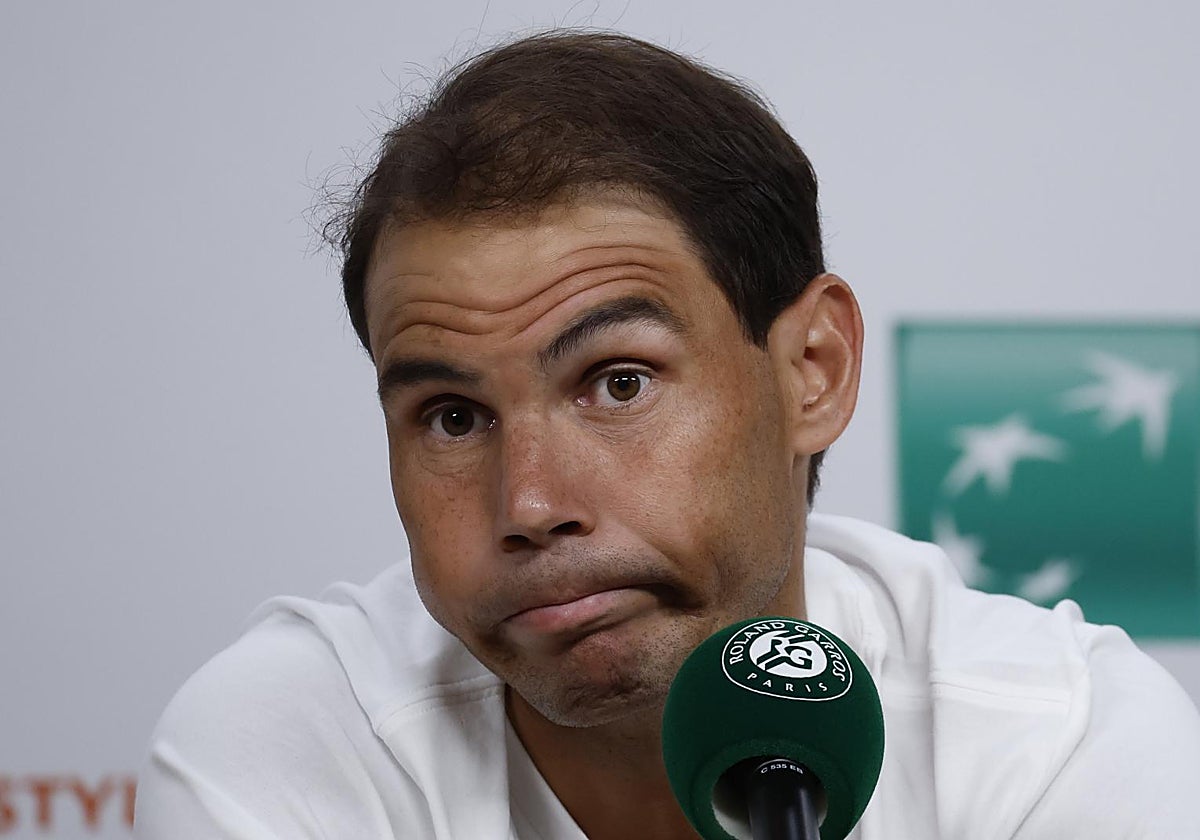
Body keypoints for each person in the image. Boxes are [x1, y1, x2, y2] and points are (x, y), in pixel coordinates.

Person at [134, 31, 1200, 839]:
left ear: (810, 373)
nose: (532, 504)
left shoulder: (1057, 746)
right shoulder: (295, 744)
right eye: (453, 418)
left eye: (618, 382)